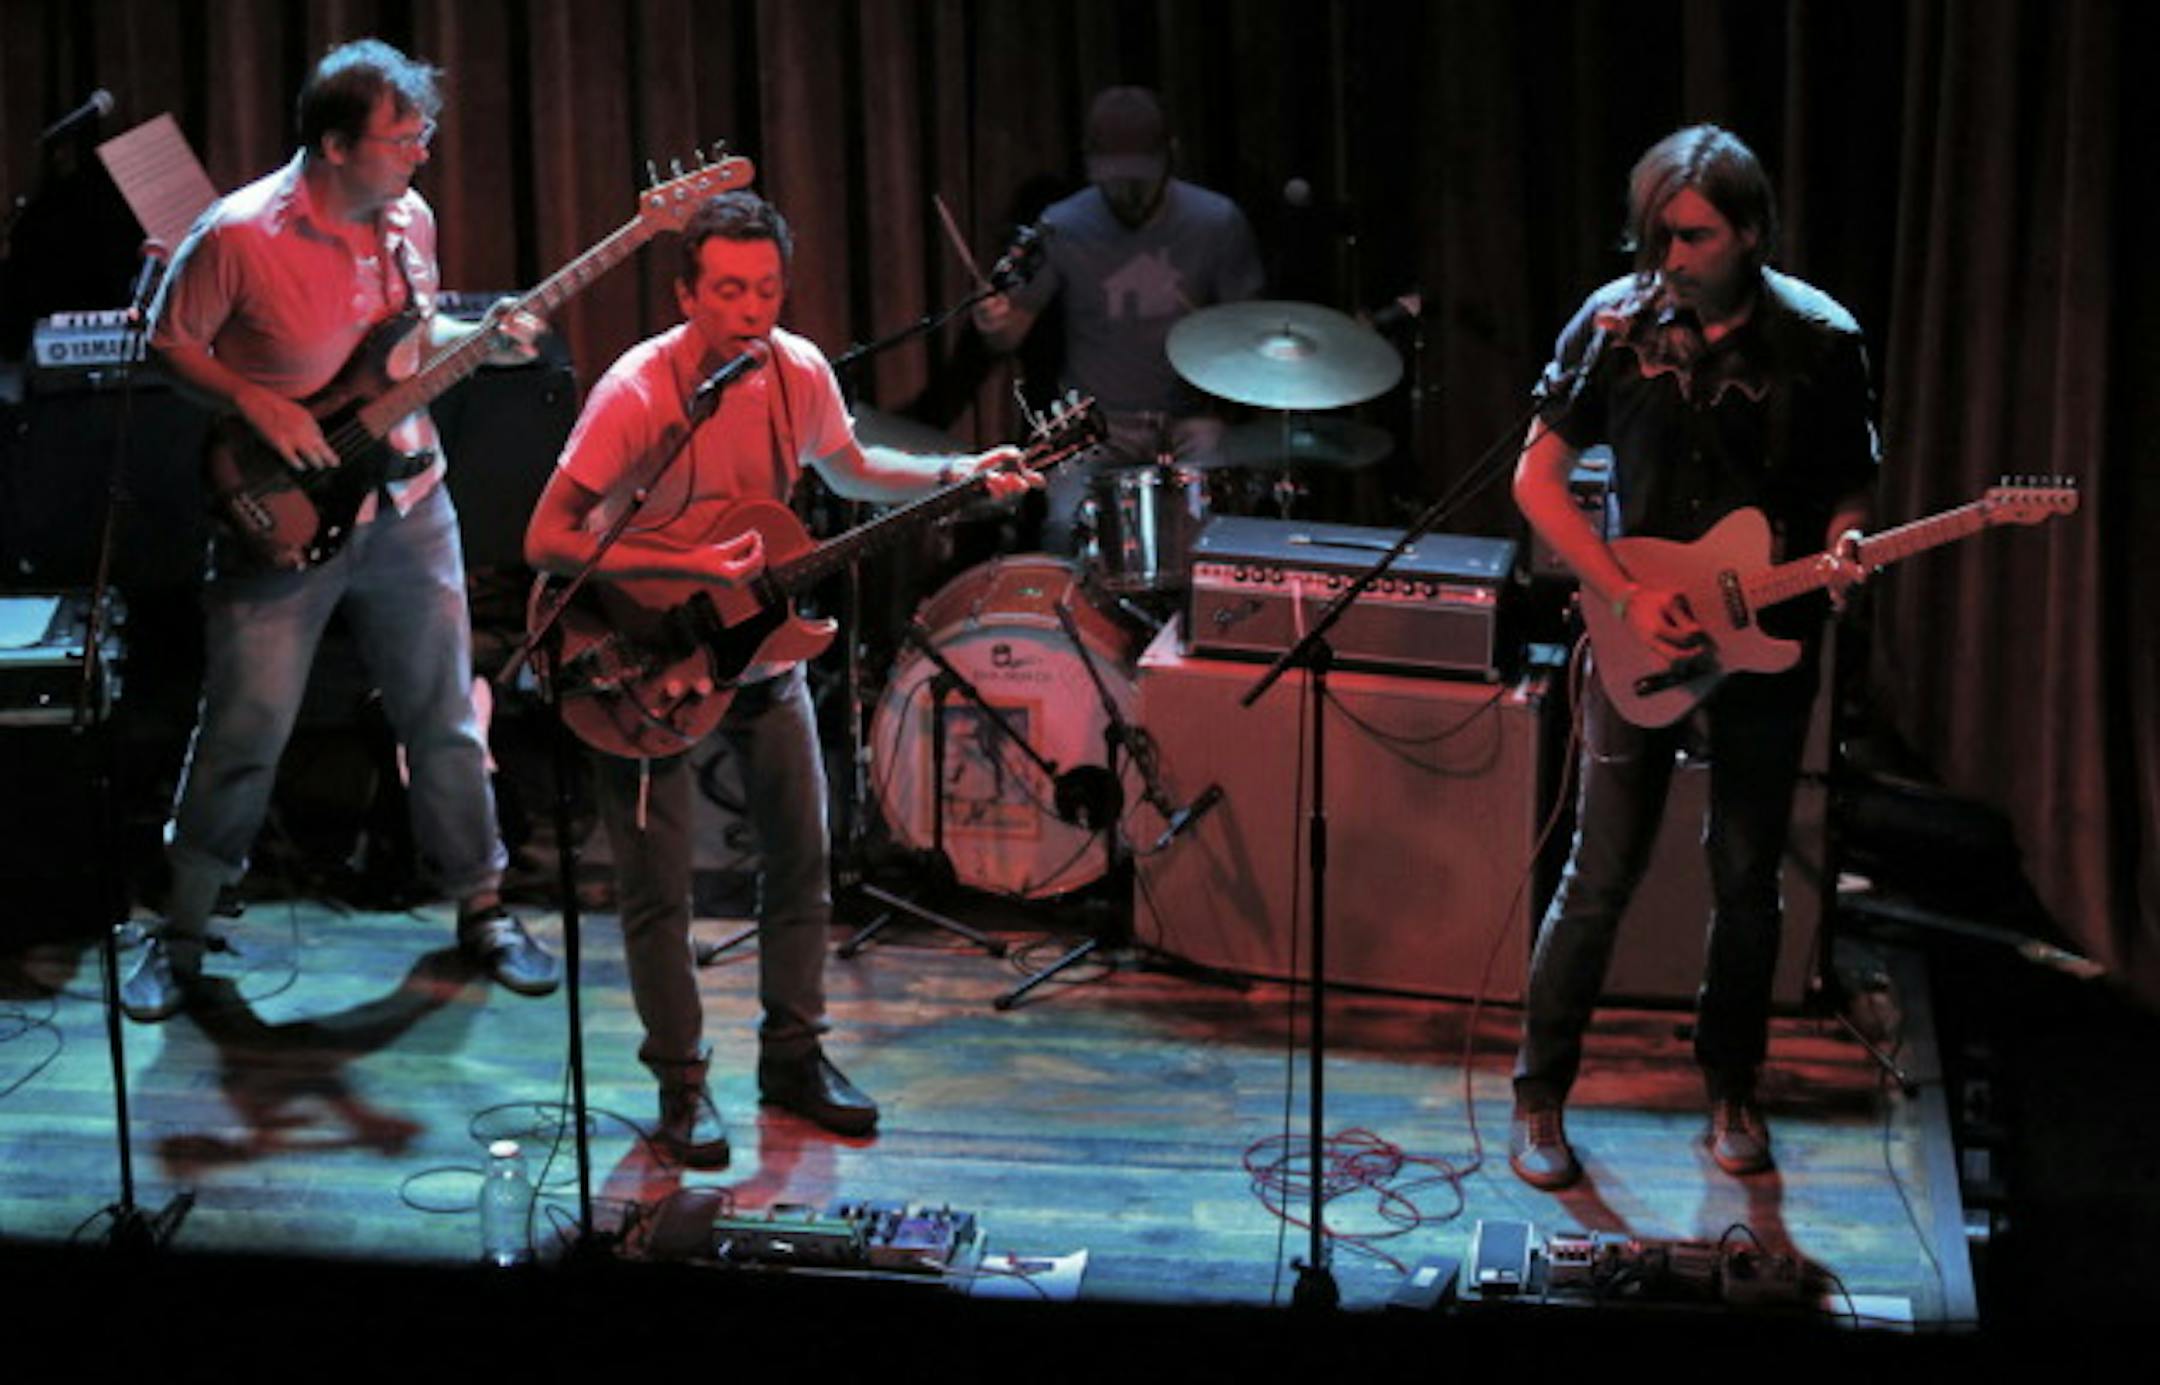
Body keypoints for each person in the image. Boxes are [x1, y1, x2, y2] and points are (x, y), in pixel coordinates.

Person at [524, 191, 1035, 1167]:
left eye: (765, 288)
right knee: (655, 890)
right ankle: (681, 1085)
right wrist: (683, 571)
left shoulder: (797, 369)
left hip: (759, 658)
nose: (751, 309)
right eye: (727, 290)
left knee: (802, 865)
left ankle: (792, 1060)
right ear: (685, 292)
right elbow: (548, 536)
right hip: (640, 655)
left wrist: (962, 469)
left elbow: (850, 472)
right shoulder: (637, 391)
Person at [122, 39, 561, 1022]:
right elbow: (168, 343)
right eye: (402, 138)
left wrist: (486, 336)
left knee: (446, 716)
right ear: (331, 146)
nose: (421, 155)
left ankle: (483, 908)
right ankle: (182, 927)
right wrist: (254, 402)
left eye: (422, 134)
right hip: (283, 504)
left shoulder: (411, 219)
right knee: (243, 730)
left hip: (409, 501)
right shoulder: (237, 235)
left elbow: (409, 342)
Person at [1508, 125, 1878, 1188]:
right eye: (1657, 234)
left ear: (1752, 231)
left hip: (1770, 636)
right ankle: (1539, 1093)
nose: (1669, 255)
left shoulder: (1821, 339)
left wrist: (1848, 540)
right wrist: (1623, 591)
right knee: (1598, 872)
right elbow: (1537, 481)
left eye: (1695, 235)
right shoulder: (1612, 325)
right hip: (1642, 632)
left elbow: (1855, 481)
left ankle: (1732, 1086)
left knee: (1748, 877)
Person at [972, 85, 1263, 557]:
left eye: (1139, 178)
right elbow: (1010, 332)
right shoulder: (1063, 225)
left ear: (1171, 156)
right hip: (1094, 423)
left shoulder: (1216, 222)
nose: (1127, 193)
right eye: (1115, 178)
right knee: (1064, 525)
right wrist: (994, 323)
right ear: (1090, 163)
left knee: (1220, 533)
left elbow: (1252, 334)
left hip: (1190, 422)